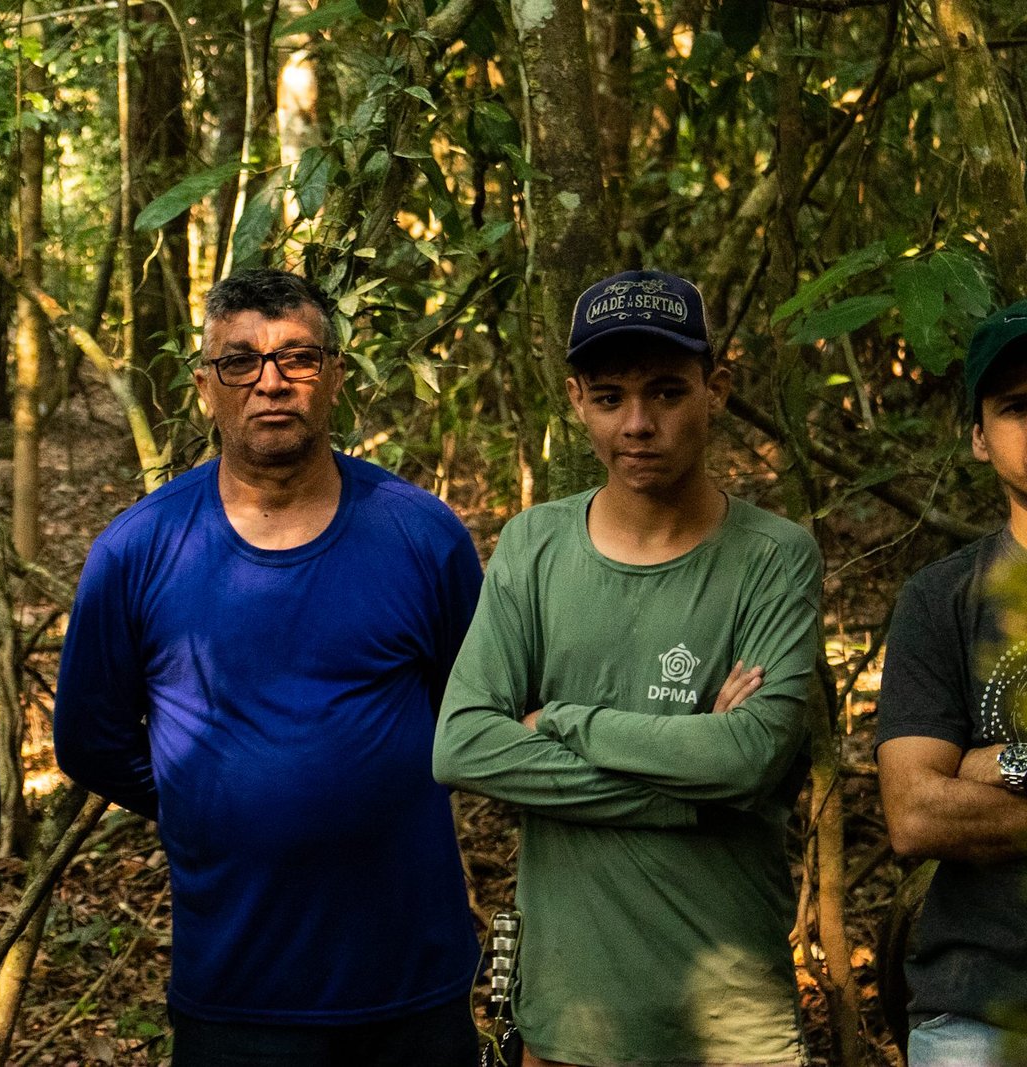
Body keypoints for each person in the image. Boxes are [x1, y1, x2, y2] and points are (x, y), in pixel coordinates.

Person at [54, 268, 483, 1065]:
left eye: (298, 358)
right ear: (204, 388)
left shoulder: (422, 534)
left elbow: (470, 708)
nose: (271, 382)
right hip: (237, 983)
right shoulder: (138, 550)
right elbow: (89, 739)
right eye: (240, 361)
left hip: (411, 979)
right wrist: (202, 797)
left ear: (336, 377)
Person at [434, 269, 822, 1067]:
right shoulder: (533, 546)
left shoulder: (775, 558)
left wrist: (565, 720)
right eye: (610, 397)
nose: (638, 424)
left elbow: (750, 756)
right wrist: (692, 788)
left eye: (667, 392)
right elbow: (464, 745)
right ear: (577, 399)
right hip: (570, 1018)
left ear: (716, 390)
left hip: (735, 1027)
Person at [876, 301, 1027, 1066]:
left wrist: (994, 764)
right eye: (1017, 407)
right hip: (977, 1006)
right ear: (978, 435)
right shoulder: (941, 599)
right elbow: (914, 813)